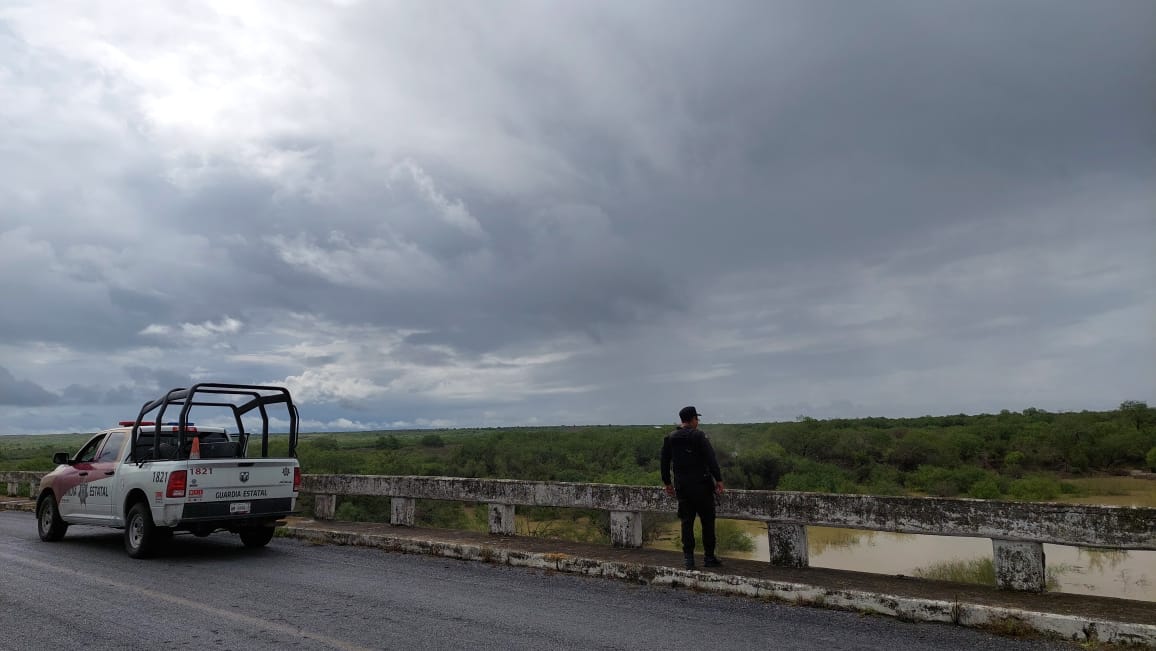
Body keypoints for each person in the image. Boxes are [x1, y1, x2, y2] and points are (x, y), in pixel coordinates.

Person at [661, 405, 725, 569]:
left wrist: (667, 483)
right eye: (697, 418)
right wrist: (719, 479)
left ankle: (688, 559)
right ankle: (709, 558)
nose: (698, 421)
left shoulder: (670, 438)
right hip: (702, 486)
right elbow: (711, 459)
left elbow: (664, 463)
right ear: (692, 419)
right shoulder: (699, 436)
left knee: (686, 522)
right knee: (707, 522)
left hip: (682, 487)